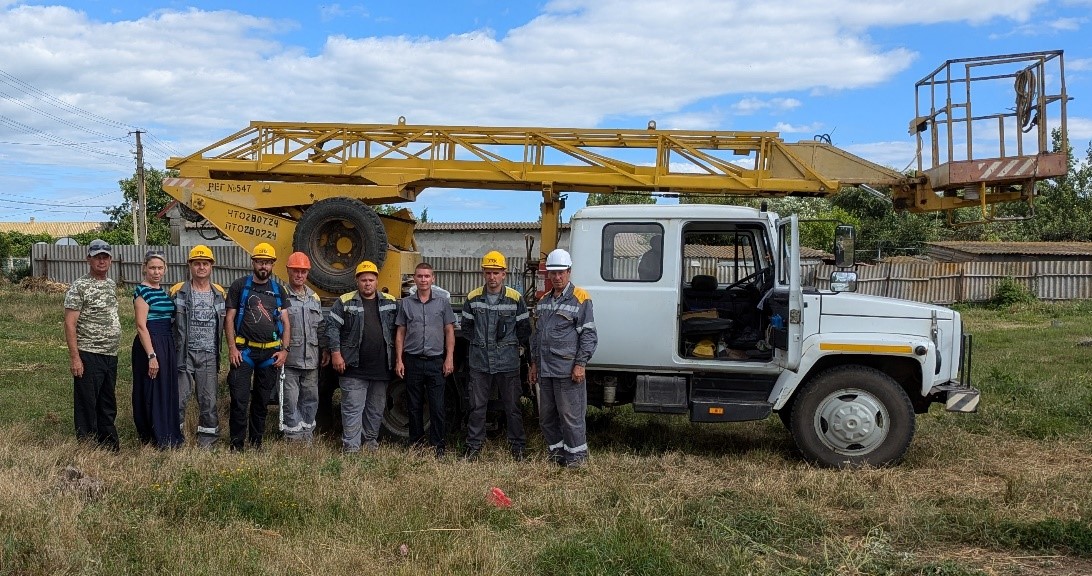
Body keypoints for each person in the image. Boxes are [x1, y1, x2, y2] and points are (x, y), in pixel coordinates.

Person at [530, 248, 598, 468]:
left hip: (567, 371)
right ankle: (557, 454)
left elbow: (588, 334)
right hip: (545, 370)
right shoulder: (543, 302)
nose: (557, 277)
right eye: (553, 273)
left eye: (561, 272)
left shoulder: (581, 299)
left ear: (569, 272)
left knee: (571, 417)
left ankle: (576, 459)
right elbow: (537, 336)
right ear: (548, 275)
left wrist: (580, 364)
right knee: (546, 418)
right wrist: (533, 364)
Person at [460, 250, 531, 461]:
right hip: (480, 363)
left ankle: (518, 447)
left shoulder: (515, 298)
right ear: (483, 273)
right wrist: (481, 344)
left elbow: (524, 330)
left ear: (504, 274)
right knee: (477, 407)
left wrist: (510, 348)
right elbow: (466, 329)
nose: (492, 277)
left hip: (507, 363)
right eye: (489, 272)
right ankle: (474, 446)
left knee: (513, 407)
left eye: (496, 273)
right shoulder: (472, 298)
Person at [224, 242, 291, 451]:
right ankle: (237, 444)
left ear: (272, 265)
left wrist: (285, 351)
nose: (264, 266)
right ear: (253, 262)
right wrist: (232, 348)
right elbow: (229, 319)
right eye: (260, 262)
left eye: (268, 263)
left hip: (270, 354)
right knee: (239, 400)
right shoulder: (239, 286)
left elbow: (287, 323)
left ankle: (256, 442)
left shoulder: (278, 290)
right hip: (245, 352)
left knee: (261, 402)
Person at [327, 260, 398, 452]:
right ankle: (351, 447)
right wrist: (336, 353)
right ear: (357, 281)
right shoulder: (344, 301)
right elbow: (332, 328)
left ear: (376, 281)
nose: (367, 283)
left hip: (381, 368)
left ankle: (370, 444)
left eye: (371, 279)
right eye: (364, 279)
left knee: (375, 410)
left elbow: (401, 330)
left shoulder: (390, 302)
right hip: (353, 367)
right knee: (352, 409)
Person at [63, 239, 122, 451]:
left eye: (105, 256)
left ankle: (108, 444)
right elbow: (70, 324)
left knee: (107, 401)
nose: (101, 260)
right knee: (87, 402)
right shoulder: (80, 286)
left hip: (110, 353)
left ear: (111, 260)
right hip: (88, 353)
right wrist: (75, 357)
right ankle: (87, 446)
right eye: (97, 257)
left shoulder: (111, 284)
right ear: (89, 259)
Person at [394, 262, 456, 458]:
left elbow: (449, 331)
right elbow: (400, 333)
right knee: (414, 406)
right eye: (419, 276)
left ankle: (438, 447)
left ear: (433, 279)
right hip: (412, 361)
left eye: (427, 276)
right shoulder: (405, 304)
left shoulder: (442, 303)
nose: (423, 280)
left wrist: (449, 359)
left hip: (435, 362)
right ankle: (417, 446)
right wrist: (399, 360)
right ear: (414, 278)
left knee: (437, 407)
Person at [169, 245, 227, 448]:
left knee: (208, 402)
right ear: (190, 266)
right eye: (197, 264)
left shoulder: (219, 293)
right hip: (184, 354)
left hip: (209, 355)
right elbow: (168, 322)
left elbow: (226, 323)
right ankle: (175, 439)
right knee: (178, 400)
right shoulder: (178, 291)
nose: (201, 267)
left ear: (211, 266)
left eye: (205, 263)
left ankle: (207, 442)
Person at [131, 250, 183, 449]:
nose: (156, 272)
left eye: (160, 268)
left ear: (165, 269)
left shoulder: (163, 292)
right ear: (144, 268)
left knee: (165, 389)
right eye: (152, 267)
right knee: (151, 389)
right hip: (150, 344)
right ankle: (152, 436)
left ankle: (168, 433)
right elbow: (141, 326)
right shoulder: (142, 292)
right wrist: (151, 355)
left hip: (166, 343)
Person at [281, 251, 328, 443]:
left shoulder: (314, 298)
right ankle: (293, 437)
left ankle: (307, 436)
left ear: (307, 273)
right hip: (290, 359)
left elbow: (321, 326)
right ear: (288, 271)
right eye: (295, 271)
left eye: (303, 271)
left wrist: (324, 349)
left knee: (311, 399)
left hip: (311, 360)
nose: (299, 275)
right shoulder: (282, 296)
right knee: (290, 401)